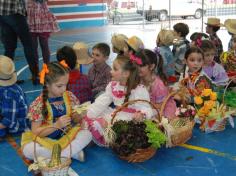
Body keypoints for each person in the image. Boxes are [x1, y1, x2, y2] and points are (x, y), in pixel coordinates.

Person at [21, 61, 92, 162]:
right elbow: (36, 132)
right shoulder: (38, 104)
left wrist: (79, 116)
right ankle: (70, 153)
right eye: (59, 86)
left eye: (66, 85)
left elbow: (74, 120)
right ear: (47, 84)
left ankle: (58, 156)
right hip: (45, 140)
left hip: (67, 137)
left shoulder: (69, 96)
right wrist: (57, 125)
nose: (64, 89)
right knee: (29, 150)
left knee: (87, 134)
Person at [85, 55, 154, 146]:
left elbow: (146, 107)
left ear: (125, 74)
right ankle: (87, 140)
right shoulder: (112, 86)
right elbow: (101, 102)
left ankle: (90, 140)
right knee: (95, 121)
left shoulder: (139, 90)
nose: (111, 71)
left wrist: (142, 114)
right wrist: (89, 113)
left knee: (119, 132)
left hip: (129, 120)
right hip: (116, 114)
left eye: (115, 69)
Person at [0, 0, 39, 84]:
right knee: (28, 45)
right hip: (15, 11)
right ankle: (35, 76)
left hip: (2, 12)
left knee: (9, 48)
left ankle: (8, 77)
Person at [136, 49, 176, 119]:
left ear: (151, 66)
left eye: (141, 65)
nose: (137, 68)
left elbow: (161, 105)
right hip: (147, 108)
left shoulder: (159, 85)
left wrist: (145, 106)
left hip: (162, 110)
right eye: (135, 64)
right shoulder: (138, 78)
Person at [0, 55, 29, 140]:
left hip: (16, 126)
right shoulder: (5, 88)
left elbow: (9, 121)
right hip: (7, 116)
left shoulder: (9, 94)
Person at [26, 0, 59, 64]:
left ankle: (46, 67)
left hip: (43, 18)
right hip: (31, 19)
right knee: (33, 47)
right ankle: (35, 68)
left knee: (44, 45)